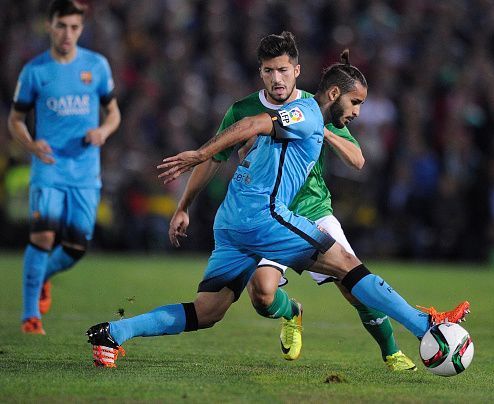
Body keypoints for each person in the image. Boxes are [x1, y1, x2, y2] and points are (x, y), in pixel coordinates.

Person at [86, 49, 469, 368]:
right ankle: (426, 326)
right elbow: (255, 122)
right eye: (355, 102)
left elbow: (340, 154)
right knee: (348, 267)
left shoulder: (314, 120)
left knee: (208, 311)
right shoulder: (308, 114)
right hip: (263, 217)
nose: (357, 112)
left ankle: (114, 334)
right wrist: (202, 153)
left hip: (231, 221)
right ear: (334, 93)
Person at [167, 32, 415, 371]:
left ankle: (391, 351)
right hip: (269, 215)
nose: (276, 78)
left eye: (283, 70)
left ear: (296, 70)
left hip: (313, 210)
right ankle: (292, 313)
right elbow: (214, 160)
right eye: (269, 71)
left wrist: (321, 130)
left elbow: (357, 160)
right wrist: (184, 206)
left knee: (351, 283)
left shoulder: (315, 108)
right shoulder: (243, 110)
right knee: (262, 295)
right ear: (261, 73)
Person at [8, 0, 121, 335]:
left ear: (81, 29)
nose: (67, 33)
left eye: (74, 27)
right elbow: (15, 120)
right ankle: (31, 317)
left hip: (85, 172)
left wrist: (102, 131)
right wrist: (30, 144)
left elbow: (114, 113)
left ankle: (41, 277)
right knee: (42, 236)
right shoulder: (35, 71)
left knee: (75, 247)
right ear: (50, 26)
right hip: (48, 167)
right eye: (61, 26)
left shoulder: (96, 66)